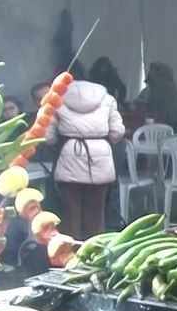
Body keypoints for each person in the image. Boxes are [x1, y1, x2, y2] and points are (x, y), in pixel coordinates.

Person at [44, 64, 124, 239]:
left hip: (69, 155)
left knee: (70, 212)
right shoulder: (106, 98)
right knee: (97, 212)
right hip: (101, 158)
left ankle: (72, 255)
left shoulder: (56, 97)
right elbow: (118, 132)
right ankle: (94, 254)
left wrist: (62, 142)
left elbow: (48, 135)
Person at [134, 61, 177, 128]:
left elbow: (145, 99)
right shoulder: (170, 82)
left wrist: (139, 104)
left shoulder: (158, 83)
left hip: (165, 120)